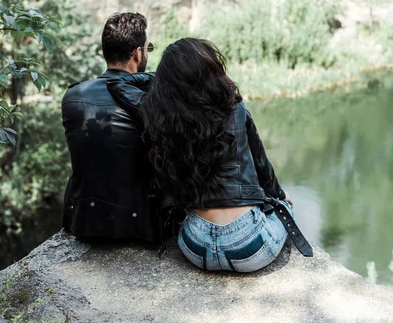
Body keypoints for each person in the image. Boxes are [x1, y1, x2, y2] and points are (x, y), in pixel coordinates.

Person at [108, 37, 312, 272]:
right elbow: (262, 168)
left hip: (196, 247)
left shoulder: (165, 117)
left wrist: (163, 80)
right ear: (211, 71)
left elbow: (118, 85)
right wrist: (280, 197)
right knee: (286, 209)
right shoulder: (235, 109)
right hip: (250, 247)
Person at [61, 12, 158, 242]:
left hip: (83, 223)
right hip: (139, 226)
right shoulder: (150, 96)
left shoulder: (72, 95)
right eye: (148, 48)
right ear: (137, 53)